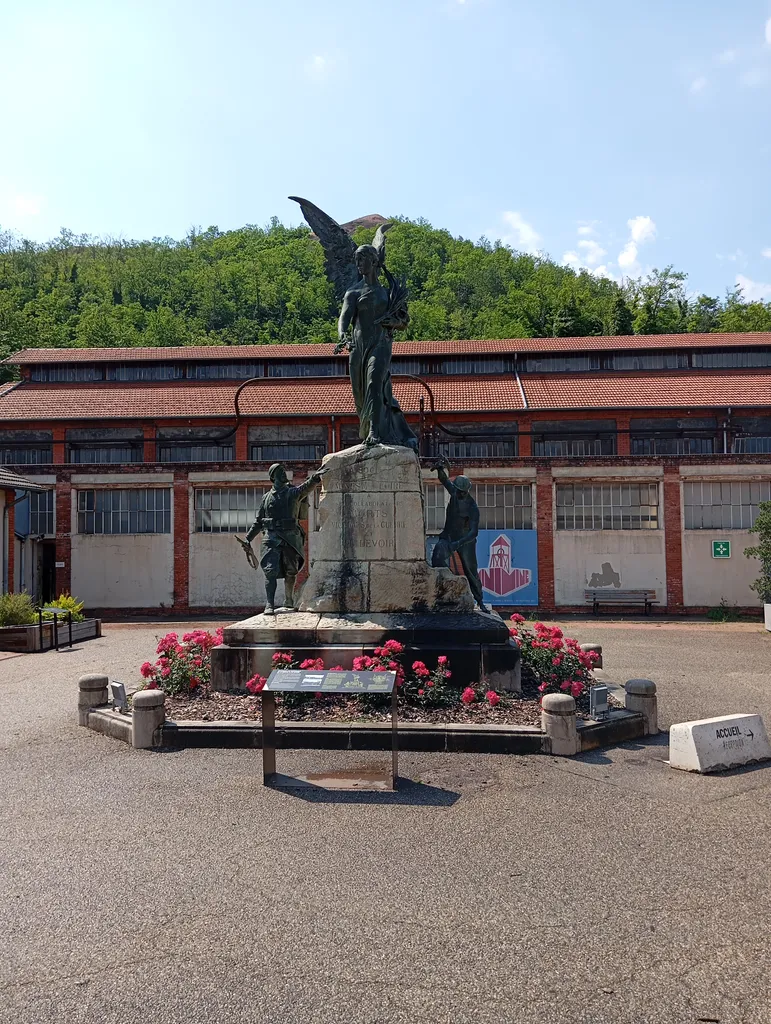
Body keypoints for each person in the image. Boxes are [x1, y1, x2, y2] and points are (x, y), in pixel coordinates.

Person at [336, 244, 418, 450]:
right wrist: (342, 335)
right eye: (356, 260)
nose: (358, 264)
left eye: (362, 259)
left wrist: (393, 323)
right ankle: (370, 428)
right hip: (358, 347)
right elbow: (344, 318)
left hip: (380, 344)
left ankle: (374, 431)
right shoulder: (353, 292)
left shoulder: (388, 293)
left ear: (373, 261)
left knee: (374, 382)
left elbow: (404, 321)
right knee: (360, 393)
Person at [237, 463, 323, 615]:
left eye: (284, 471)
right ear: (273, 477)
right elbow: (259, 521)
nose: (284, 474)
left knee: (292, 570)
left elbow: (305, 488)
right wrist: (248, 538)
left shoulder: (292, 492)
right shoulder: (266, 498)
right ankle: (269, 604)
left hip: (291, 537)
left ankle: (288, 600)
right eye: (280, 472)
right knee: (270, 571)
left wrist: (315, 479)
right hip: (271, 537)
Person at [430, 457, 490, 613]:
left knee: (471, 570)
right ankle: (444, 593)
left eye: (459, 491)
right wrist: (440, 470)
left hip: (466, 541)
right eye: (456, 489)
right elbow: (445, 481)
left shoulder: (472, 507)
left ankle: (480, 600)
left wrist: (459, 543)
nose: (456, 492)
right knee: (437, 555)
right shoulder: (455, 493)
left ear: (466, 491)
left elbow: (474, 531)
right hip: (449, 535)